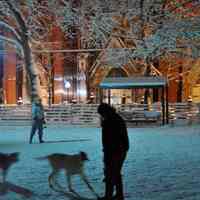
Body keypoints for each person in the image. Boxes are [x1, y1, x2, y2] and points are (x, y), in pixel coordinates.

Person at [97, 103, 129, 200]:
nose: (101, 116)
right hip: (121, 149)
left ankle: (109, 196)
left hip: (114, 151)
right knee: (116, 173)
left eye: (101, 114)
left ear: (104, 112)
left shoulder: (109, 121)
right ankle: (119, 195)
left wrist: (107, 154)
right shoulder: (116, 118)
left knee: (110, 174)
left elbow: (109, 139)